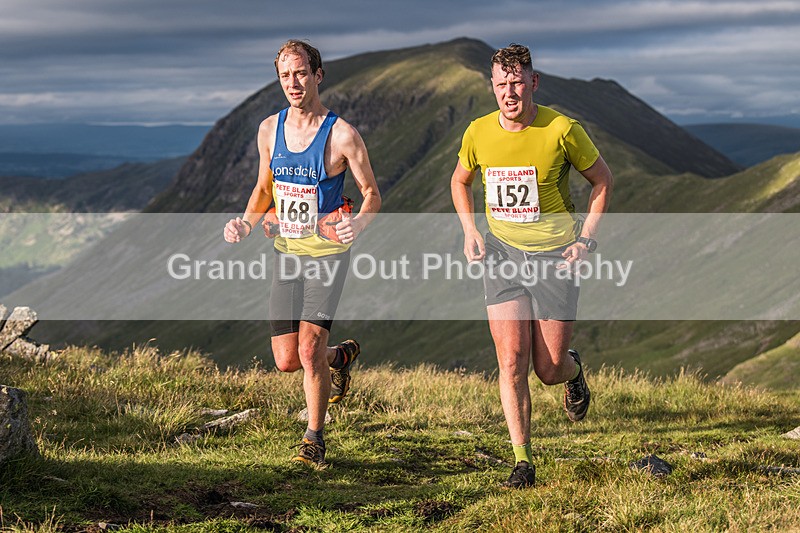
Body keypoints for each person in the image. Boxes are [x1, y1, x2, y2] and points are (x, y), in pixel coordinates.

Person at [450, 44, 613, 488]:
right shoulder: (478, 132)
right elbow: (460, 180)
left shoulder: (562, 129)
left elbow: (602, 180)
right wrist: (470, 230)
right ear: (492, 86)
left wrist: (586, 239)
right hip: (502, 255)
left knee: (548, 368)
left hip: (555, 258)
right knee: (511, 360)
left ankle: (573, 371)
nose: (510, 92)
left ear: (533, 82)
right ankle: (523, 461)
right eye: (501, 84)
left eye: (518, 82)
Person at [223, 40, 381, 468]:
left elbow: (372, 194)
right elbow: (263, 188)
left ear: (318, 75)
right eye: (285, 75)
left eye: (301, 73)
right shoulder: (268, 129)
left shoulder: (342, 135)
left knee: (309, 351)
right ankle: (339, 358)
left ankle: (314, 439)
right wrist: (245, 223)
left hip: (328, 257)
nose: (293, 83)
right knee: (287, 360)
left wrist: (358, 224)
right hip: (287, 255)